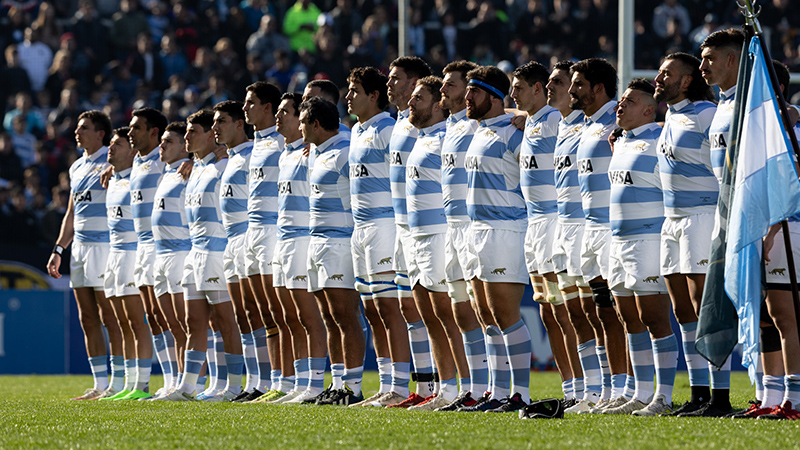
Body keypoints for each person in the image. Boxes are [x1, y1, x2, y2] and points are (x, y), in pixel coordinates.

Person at [601, 80, 678, 416]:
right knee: (628, 318)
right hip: (617, 239)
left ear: (649, 109)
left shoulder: (661, 139)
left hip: (649, 238)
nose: (620, 106)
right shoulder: (621, 141)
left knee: (654, 318)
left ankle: (663, 396)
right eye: (621, 101)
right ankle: (640, 392)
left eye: (629, 102)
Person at [157, 110, 244, 401]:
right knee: (194, 321)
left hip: (216, 252)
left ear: (210, 136)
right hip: (194, 253)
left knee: (225, 321)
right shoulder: (194, 169)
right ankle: (188, 386)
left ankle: (232, 387)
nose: (187, 137)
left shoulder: (223, 166)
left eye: (193, 132)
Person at [460, 65, 531, 412]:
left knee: (506, 314)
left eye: (474, 91)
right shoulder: (479, 131)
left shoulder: (516, 132)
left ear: (493, 97)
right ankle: (497, 391)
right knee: (485, 314)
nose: (466, 97)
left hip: (505, 230)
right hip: (476, 230)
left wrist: (524, 117)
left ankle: (522, 394)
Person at [510, 60, 580, 408]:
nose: (553, 87)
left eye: (558, 82)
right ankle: (571, 388)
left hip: (556, 222)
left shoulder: (557, 121)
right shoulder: (534, 120)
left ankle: (586, 387)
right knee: (549, 311)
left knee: (567, 311)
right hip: (535, 226)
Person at [652, 52, 717, 416]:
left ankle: (718, 395)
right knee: (682, 311)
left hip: (701, 217)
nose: (658, 79)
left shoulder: (706, 114)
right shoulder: (670, 116)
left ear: (687, 80)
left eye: (666, 74)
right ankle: (698, 392)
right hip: (671, 220)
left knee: (702, 306)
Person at [401, 75, 472, 411]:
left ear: (437, 105)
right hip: (415, 236)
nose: (411, 103)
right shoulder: (419, 137)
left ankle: (468, 386)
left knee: (448, 315)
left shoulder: (448, 136)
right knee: (428, 316)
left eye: (419, 98)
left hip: (440, 234)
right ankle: (444, 389)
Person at [565, 58, 628, 413]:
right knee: (599, 312)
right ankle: (609, 388)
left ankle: (630, 387)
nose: (572, 91)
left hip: (612, 230)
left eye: (578, 84)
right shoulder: (588, 125)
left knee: (621, 312)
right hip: (589, 229)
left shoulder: (617, 119)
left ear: (598, 88)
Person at [46, 110, 123, 400]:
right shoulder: (77, 167)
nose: (77, 133)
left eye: (84, 128)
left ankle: (119, 383)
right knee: (87, 318)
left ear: (101, 134)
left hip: (105, 247)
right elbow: (71, 212)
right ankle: (99, 384)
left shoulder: (114, 159)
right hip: (79, 249)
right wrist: (58, 249)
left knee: (109, 317)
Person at [435, 60, 489, 412]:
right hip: (449, 228)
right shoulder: (448, 126)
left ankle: (492, 387)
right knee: (460, 313)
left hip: (474, 228)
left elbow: (507, 116)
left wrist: (520, 117)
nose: (445, 90)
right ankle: (471, 388)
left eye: (451, 85)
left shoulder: (478, 124)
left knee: (483, 312)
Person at [269, 92, 328, 404]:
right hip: (283, 240)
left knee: (309, 317)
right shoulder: (286, 153)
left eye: (285, 112)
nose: (278, 117)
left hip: (304, 239)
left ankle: (314, 385)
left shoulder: (313, 153)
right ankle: (297, 382)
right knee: (288, 317)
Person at [344, 66, 398, 406]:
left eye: (354, 91)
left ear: (373, 96)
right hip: (360, 229)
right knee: (373, 312)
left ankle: (399, 383)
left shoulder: (388, 130)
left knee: (389, 308)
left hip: (384, 226)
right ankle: (385, 383)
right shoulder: (354, 131)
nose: (348, 97)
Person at [384, 56, 435, 408]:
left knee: (435, 310)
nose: (390, 84)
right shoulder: (400, 123)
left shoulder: (428, 122)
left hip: (431, 229)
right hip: (402, 227)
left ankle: (450, 385)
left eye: (396, 78)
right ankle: (423, 386)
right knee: (408, 308)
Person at [210, 100, 264, 402]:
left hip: (251, 238)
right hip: (231, 242)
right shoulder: (227, 158)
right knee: (243, 315)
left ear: (238, 125)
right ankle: (254, 382)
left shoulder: (256, 151)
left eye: (222, 122)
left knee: (259, 313)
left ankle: (272, 381)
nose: (215, 128)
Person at [127, 107, 181, 394]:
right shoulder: (137, 161)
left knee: (175, 316)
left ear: (154, 132)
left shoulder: (166, 161)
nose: (130, 133)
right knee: (154, 317)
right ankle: (171, 380)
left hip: (165, 246)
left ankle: (187, 380)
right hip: (142, 246)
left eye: (136, 128)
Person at [99, 127, 154, 401]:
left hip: (133, 253)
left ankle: (142, 385)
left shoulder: (139, 178)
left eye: (117, 144)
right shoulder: (113, 180)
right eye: (110, 144)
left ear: (133, 152)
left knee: (136, 322)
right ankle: (129, 384)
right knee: (121, 323)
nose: (110, 148)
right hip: (114, 255)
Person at [241, 81, 287, 403]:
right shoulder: (253, 145)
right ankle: (273, 382)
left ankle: (291, 380)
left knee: (282, 312)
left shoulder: (285, 142)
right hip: (251, 232)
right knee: (263, 312)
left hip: (274, 231)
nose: (246, 109)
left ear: (268, 108)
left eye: (251, 103)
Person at [150, 121, 193, 400]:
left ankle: (197, 384)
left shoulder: (190, 171)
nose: (161, 146)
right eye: (161, 141)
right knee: (173, 326)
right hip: (160, 254)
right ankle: (178, 382)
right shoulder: (166, 173)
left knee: (188, 324)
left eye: (168, 142)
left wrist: (193, 162)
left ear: (183, 146)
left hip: (180, 252)